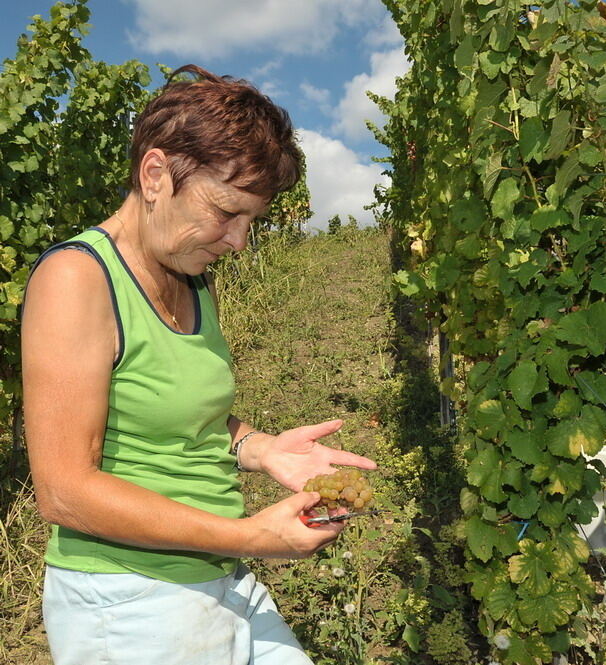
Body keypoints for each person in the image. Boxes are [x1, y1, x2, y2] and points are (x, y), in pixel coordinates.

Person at [21, 64, 377, 665]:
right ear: (156, 174)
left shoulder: (192, 280)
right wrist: (254, 537)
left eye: (251, 221)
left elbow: (182, 416)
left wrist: (261, 449)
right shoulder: (77, 278)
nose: (238, 240)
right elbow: (64, 493)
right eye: (224, 212)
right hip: (129, 600)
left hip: (222, 580)